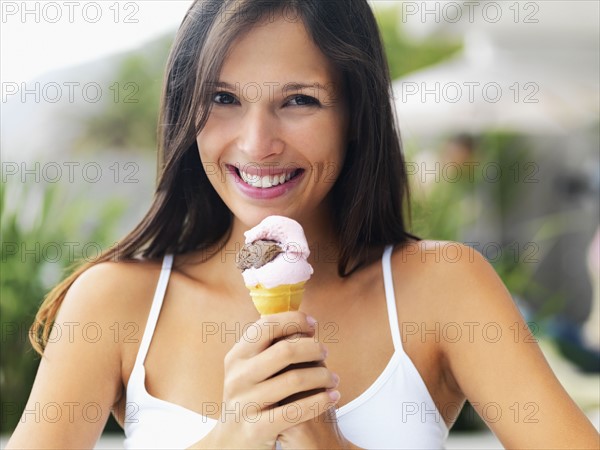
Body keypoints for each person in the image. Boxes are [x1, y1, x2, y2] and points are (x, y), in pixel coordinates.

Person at [7, 0, 599, 448]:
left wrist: (328, 442)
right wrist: (231, 436)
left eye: (300, 101)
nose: (258, 143)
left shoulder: (442, 286)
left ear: (355, 115)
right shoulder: (115, 303)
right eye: (222, 98)